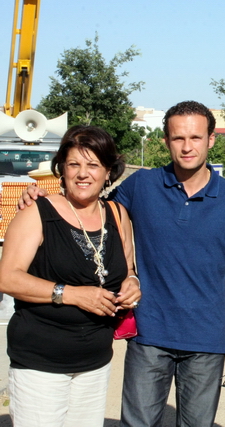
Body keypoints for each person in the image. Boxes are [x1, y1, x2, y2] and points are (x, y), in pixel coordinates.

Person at [19, 101, 225, 426]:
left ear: (211, 139)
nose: (187, 147)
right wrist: (41, 194)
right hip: (148, 336)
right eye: (178, 138)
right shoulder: (141, 185)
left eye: (196, 138)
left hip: (206, 340)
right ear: (165, 141)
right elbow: (88, 203)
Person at [0, 125, 141, 426]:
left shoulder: (117, 214)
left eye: (93, 165)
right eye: (74, 164)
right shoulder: (37, 212)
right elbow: (7, 278)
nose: (82, 174)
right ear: (61, 168)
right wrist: (73, 294)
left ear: (107, 171)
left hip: (95, 363)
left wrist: (133, 283)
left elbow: (127, 269)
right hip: (40, 365)